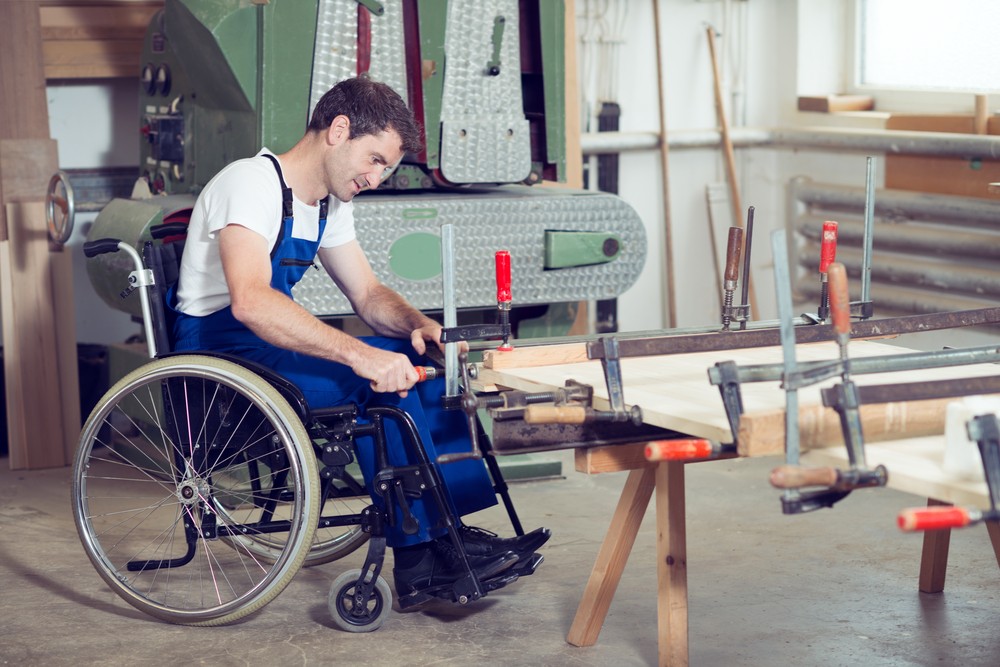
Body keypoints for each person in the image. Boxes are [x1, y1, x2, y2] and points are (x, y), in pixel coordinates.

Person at [169, 76, 549, 607]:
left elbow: (368, 294)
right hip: (223, 354)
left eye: (385, 168)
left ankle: (448, 533)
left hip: (271, 345)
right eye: (373, 160)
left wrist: (421, 327)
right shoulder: (250, 183)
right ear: (339, 130)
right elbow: (251, 301)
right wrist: (359, 353)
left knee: (414, 361)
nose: (376, 177)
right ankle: (420, 560)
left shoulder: (327, 204)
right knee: (377, 379)